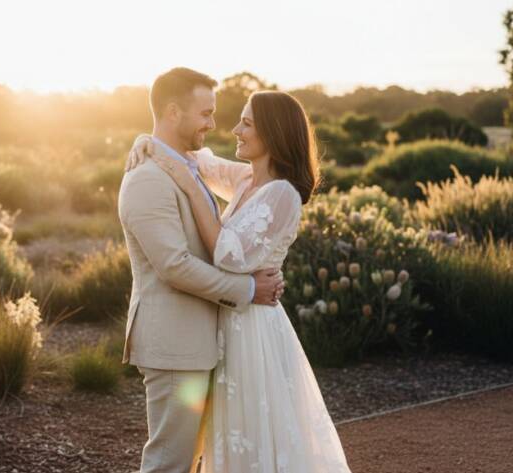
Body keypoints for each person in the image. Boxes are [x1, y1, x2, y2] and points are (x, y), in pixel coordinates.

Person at [126, 87, 352, 472]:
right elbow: (199, 162)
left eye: (246, 123)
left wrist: (186, 182)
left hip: (254, 329)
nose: (234, 129)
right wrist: (145, 140)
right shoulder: (247, 181)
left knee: (256, 433)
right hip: (227, 324)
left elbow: (226, 253)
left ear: (273, 133)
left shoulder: (283, 194)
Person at [118, 67, 285, 473]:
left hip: (201, 344)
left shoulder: (187, 165)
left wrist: (145, 140)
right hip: (175, 345)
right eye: (205, 113)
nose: (214, 124)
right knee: (168, 463)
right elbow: (174, 266)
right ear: (173, 112)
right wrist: (248, 289)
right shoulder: (147, 180)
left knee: (194, 461)